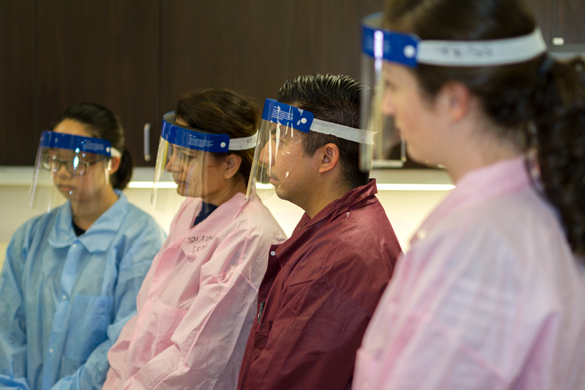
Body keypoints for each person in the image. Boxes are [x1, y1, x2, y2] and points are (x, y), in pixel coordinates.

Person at [353, 1, 585, 389]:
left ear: (453, 101)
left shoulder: (477, 248)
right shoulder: (542, 201)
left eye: (393, 85)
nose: (388, 106)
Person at [103, 88, 287, 390]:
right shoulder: (192, 209)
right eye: (173, 152)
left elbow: (195, 361)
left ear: (230, 164)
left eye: (186, 156)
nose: (171, 165)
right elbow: (143, 318)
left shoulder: (249, 237)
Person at [237, 74, 402, 390]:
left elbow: (289, 381)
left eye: (281, 141)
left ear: (327, 157)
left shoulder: (338, 259)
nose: (267, 155)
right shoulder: (334, 222)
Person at [0, 103, 166, 390]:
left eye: (76, 161)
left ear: (111, 164)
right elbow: (8, 331)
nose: (62, 173)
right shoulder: (30, 237)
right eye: (54, 160)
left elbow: (126, 340)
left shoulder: (141, 239)